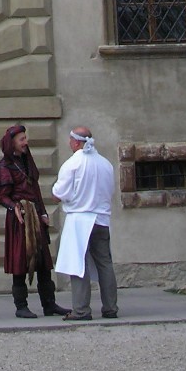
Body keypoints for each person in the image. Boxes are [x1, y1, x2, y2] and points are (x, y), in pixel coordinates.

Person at [0, 124, 70, 319]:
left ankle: (49, 304)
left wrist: (43, 212)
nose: (26, 142)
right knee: (20, 263)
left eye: (25, 138)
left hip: (35, 215)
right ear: (12, 143)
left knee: (43, 263)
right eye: (22, 139)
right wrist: (15, 207)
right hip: (20, 219)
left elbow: (35, 191)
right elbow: (3, 197)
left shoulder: (27, 161)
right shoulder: (4, 166)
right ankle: (21, 306)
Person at [52, 125, 118, 321]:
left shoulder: (72, 163)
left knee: (78, 264)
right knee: (105, 263)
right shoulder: (105, 164)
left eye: (70, 140)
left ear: (75, 142)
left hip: (79, 220)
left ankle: (81, 310)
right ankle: (110, 307)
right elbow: (110, 191)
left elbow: (59, 193)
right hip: (101, 219)